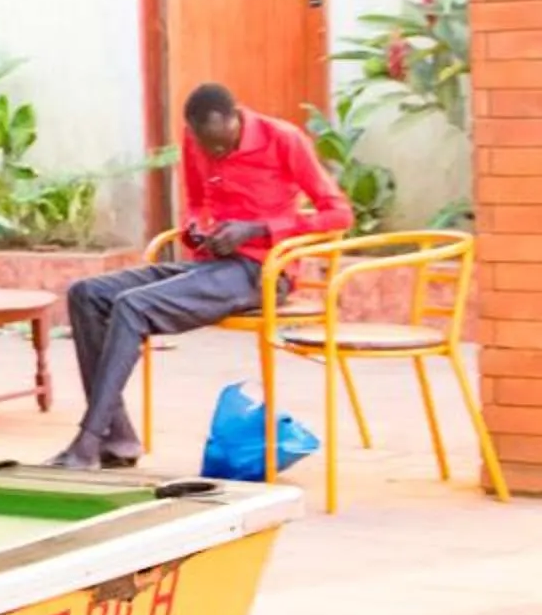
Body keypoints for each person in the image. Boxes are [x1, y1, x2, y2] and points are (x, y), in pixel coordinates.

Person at [49, 83, 353, 470]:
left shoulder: (283, 139)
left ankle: (88, 441)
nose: (214, 154)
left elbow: (338, 213)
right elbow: (196, 204)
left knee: (131, 306)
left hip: (262, 272)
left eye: (221, 146)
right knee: (86, 293)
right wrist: (197, 228)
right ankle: (118, 438)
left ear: (233, 119)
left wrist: (257, 228)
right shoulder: (196, 141)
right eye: (205, 145)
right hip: (213, 266)